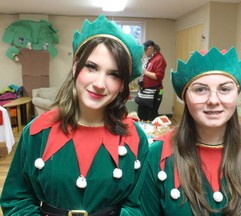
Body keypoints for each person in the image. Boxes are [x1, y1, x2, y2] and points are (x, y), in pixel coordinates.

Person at [0, 15, 149, 216]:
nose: (99, 83)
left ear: (123, 84)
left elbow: (140, 206)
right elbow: (17, 200)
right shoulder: (37, 131)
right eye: (91, 67)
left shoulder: (135, 138)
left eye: (113, 74)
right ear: (75, 67)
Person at [140, 47, 241, 215]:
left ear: (236, 95)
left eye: (225, 89)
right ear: (185, 97)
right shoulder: (158, 156)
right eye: (200, 89)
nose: (213, 100)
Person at [137, 40, 167, 121]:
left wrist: (145, 72)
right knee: (141, 114)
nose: (144, 53)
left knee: (151, 115)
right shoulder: (149, 58)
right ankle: (142, 131)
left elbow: (158, 76)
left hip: (155, 92)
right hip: (145, 91)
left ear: (150, 48)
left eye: (145, 50)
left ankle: (151, 132)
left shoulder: (159, 58)